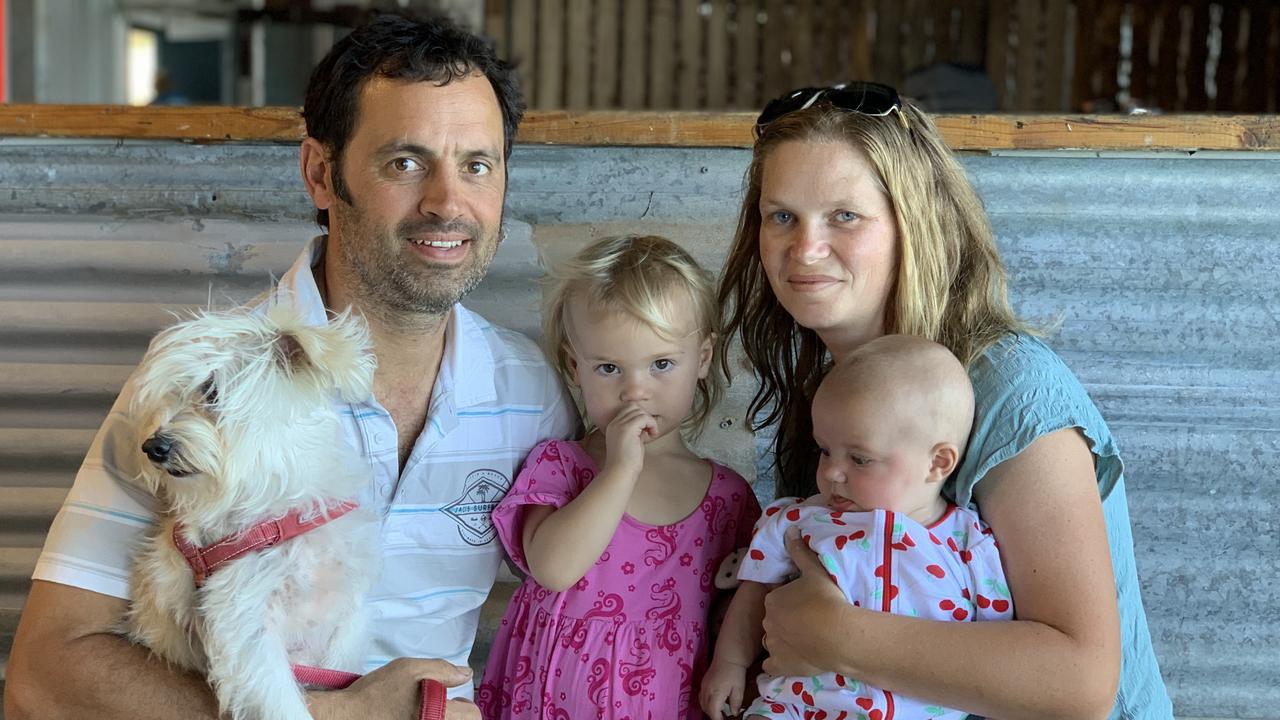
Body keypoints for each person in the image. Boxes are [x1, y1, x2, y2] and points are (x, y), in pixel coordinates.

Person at [5, 13, 575, 720]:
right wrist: (346, 717)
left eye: (477, 165)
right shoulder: (201, 377)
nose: (447, 203)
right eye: (405, 162)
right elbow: (42, 675)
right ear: (320, 174)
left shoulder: (532, 392)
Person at [716, 82, 1172, 718]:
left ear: (912, 223)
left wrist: (833, 637)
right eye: (782, 216)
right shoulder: (835, 385)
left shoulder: (1010, 387)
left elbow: (1081, 684)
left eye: (844, 215)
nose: (805, 248)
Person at [474, 235, 762, 719]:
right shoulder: (561, 466)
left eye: (662, 364)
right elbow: (553, 569)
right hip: (546, 699)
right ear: (574, 366)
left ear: (704, 360)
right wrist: (620, 468)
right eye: (609, 367)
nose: (635, 391)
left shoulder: (728, 499)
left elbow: (744, 606)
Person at [702, 335, 1013, 719]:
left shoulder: (969, 543)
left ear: (937, 463)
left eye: (860, 459)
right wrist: (730, 663)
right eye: (825, 450)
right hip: (796, 709)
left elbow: (995, 646)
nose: (832, 472)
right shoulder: (801, 522)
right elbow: (754, 591)